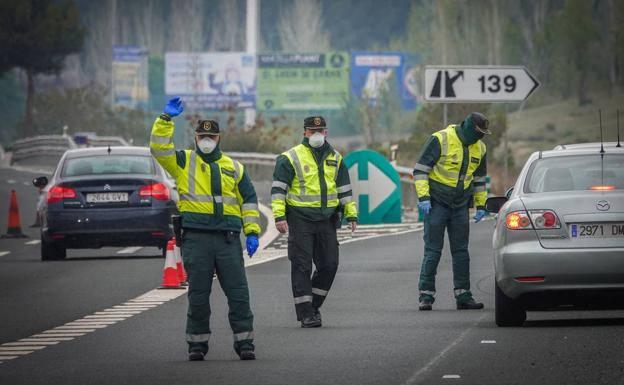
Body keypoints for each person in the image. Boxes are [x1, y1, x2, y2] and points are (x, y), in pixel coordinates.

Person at [150, 97, 261, 361]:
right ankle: (197, 345)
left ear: (218, 137)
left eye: (210, 136)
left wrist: (253, 231)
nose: (206, 139)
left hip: (228, 240)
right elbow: (158, 149)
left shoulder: (234, 167)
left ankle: (245, 344)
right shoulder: (183, 162)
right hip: (197, 239)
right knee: (198, 296)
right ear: (196, 137)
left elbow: (249, 200)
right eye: (202, 136)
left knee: (239, 295)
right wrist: (165, 121)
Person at [271, 116, 358, 328]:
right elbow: (278, 191)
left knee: (329, 265)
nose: (316, 135)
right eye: (312, 131)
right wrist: (279, 216)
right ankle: (306, 314)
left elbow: (344, 189)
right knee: (301, 266)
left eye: (320, 131)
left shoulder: (336, 158)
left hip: (327, 219)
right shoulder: (289, 158)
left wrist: (351, 213)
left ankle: (314, 305)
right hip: (300, 219)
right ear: (304, 133)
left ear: (326, 132)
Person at [413, 112, 489, 311]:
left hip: (460, 206)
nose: (480, 137)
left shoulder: (480, 148)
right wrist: (424, 198)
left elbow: (480, 179)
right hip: (436, 203)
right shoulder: (441, 139)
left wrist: (481, 205)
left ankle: (463, 295)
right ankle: (426, 295)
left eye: (483, 134)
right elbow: (421, 170)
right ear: (468, 127)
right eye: (478, 132)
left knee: (461, 252)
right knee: (433, 251)